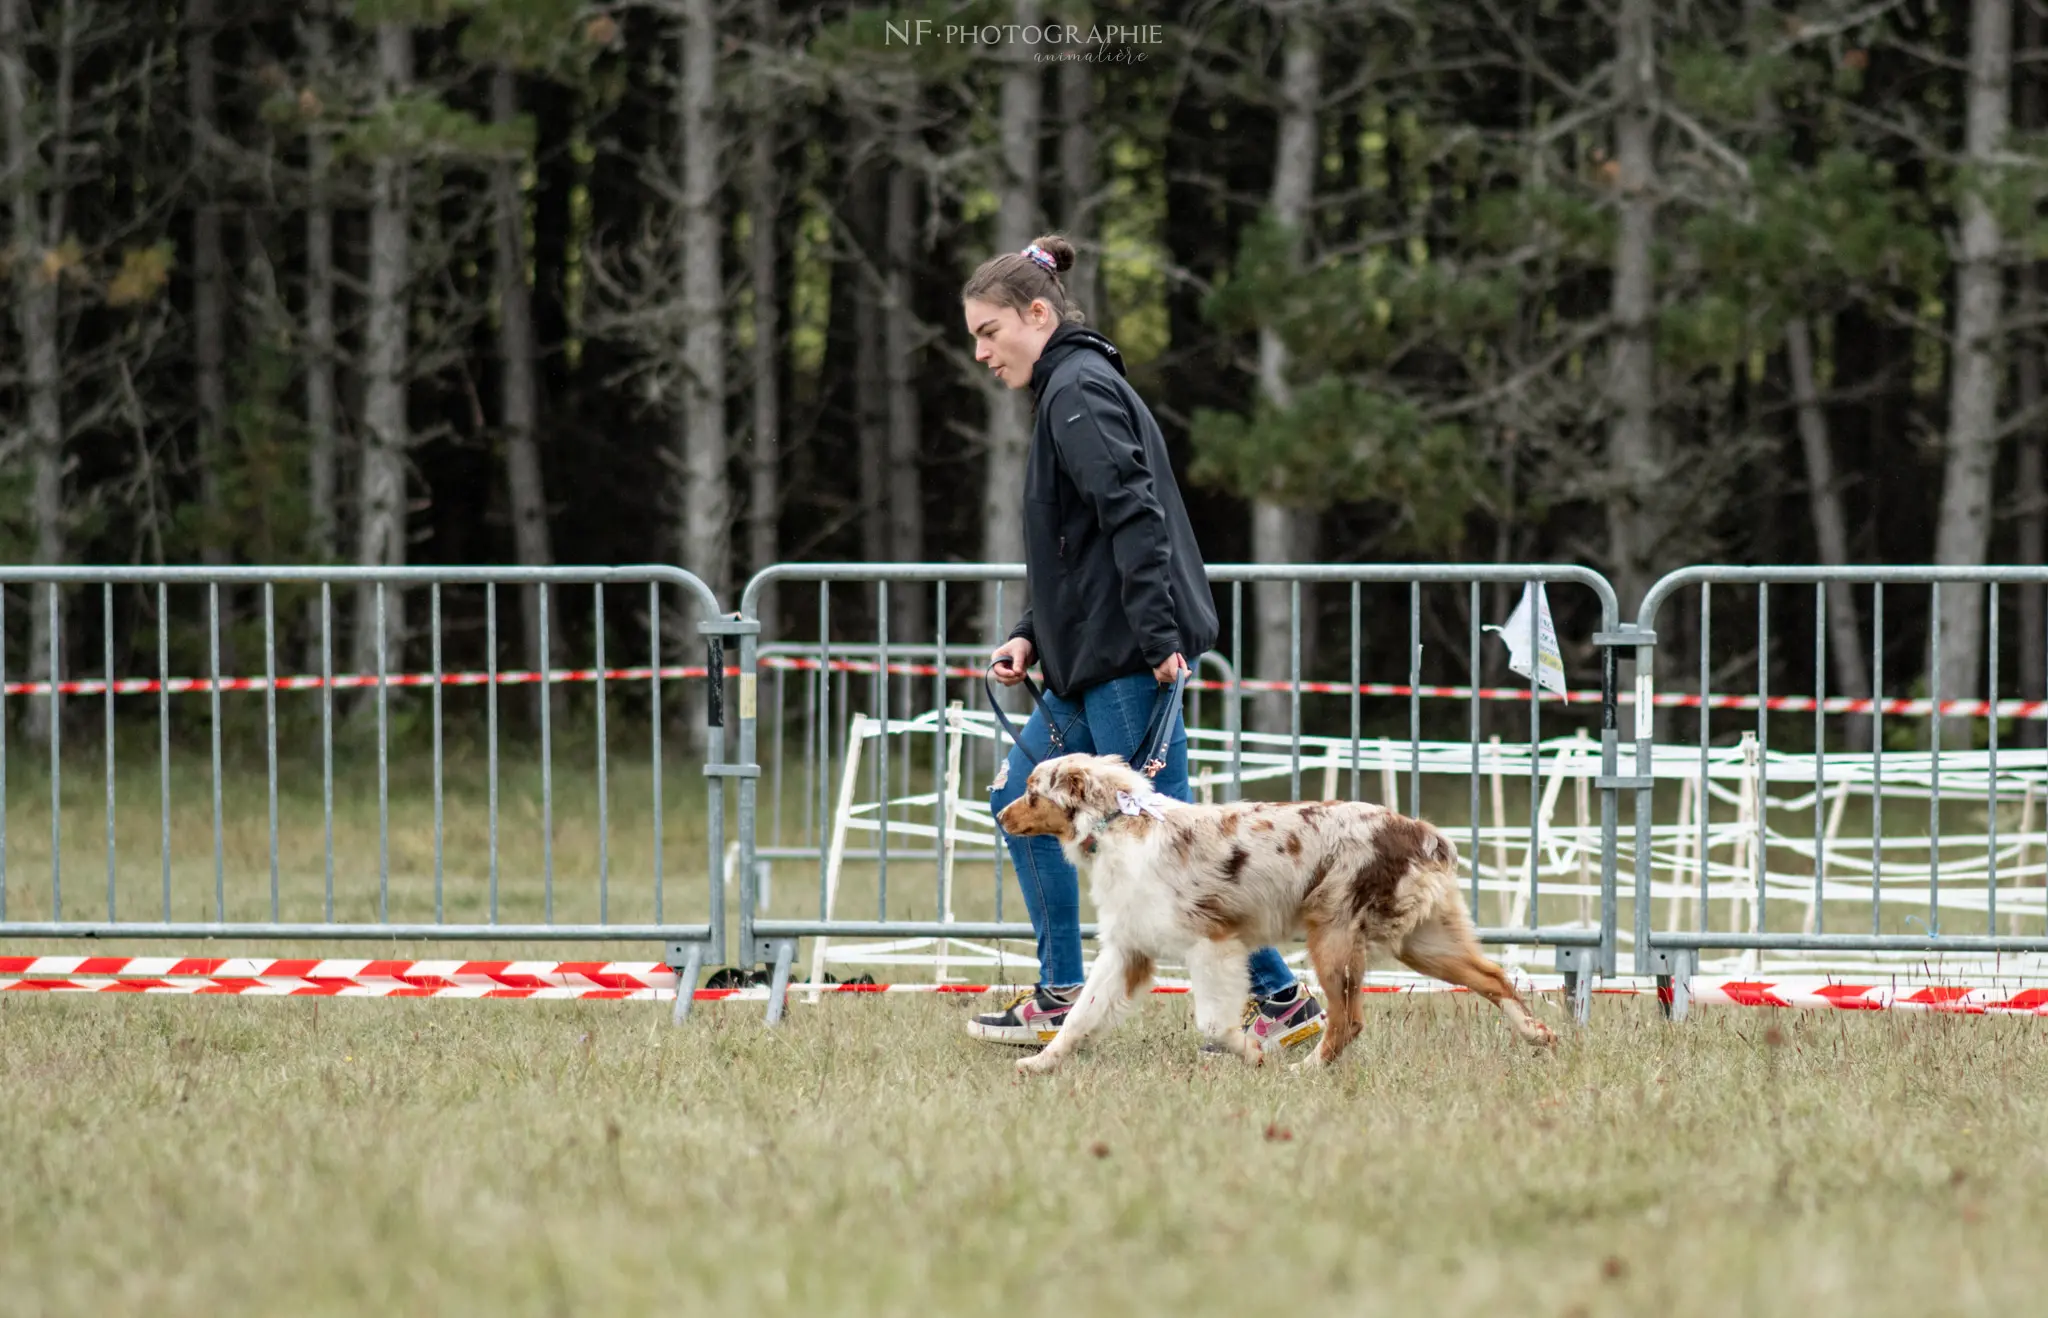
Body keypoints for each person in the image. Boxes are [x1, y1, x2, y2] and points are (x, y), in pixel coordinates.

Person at [960, 233, 1325, 1059]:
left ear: (1038, 314)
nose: (981, 351)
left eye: (990, 331)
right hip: (1087, 658)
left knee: (1177, 846)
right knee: (1019, 798)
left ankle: (1278, 997)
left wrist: (1160, 639)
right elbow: (1071, 547)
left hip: (1126, 657)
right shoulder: (1067, 390)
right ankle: (1062, 992)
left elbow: (1135, 516)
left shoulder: (1078, 390)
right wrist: (1027, 631)